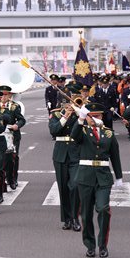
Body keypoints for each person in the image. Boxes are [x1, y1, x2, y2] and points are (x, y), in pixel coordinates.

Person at [71, 102, 123, 258]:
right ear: (87, 117)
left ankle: (103, 245)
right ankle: (90, 244)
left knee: (103, 209)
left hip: (103, 177)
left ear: (102, 117)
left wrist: (119, 176)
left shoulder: (108, 133)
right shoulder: (82, 131)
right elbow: (74, 136)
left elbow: (115, 155)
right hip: (85, 176)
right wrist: (80, 119)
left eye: (98, 116)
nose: (95, 119)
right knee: (86, 214)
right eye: (92, 116)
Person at [48, 87, 81, 232]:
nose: (69, 106)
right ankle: (66, 219)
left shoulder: (80, 114)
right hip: (60, 155)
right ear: (62, 104)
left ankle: (75, 218)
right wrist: (65, 117)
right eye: (66, 103)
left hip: (76, 154)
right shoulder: (56, 114)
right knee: (63, 189)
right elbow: (54, 130)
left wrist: (79, 114)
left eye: (71, 102)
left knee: (74, 186)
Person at [0, 85, 26, 189]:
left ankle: (12, 179)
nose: (3, 97)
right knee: (0, 159)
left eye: (5, 94)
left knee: (13, 159)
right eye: (2, 94)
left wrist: (17, 125)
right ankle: (2, 182)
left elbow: (22, 119)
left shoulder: (14, 106)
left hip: (12, 135)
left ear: (10, 95)